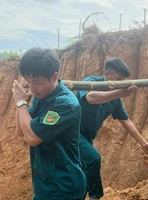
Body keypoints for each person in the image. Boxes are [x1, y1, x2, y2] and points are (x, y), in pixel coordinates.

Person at [75, 57, 148, 200]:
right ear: (107, 74)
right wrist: (119, 93)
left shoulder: (115, 99)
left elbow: (126, 121)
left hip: (87, 137)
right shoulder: (91, 81)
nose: (121, 84)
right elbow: (90, 98)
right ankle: (95, 197)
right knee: (94, 158)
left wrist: (143, 143)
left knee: (81, 171)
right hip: (71, 133)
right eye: (118, 79)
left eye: (123, 81)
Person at [12, 48, 86, 200]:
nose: (32, 88)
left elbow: (32, 138)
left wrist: (21, 103)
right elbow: (22, 132)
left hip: (64, 187)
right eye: (28, 81)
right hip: (45, 184)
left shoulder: (65, 103)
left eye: (36, 82)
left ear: (54, 77)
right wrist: (22, 104)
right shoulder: (42, 96)